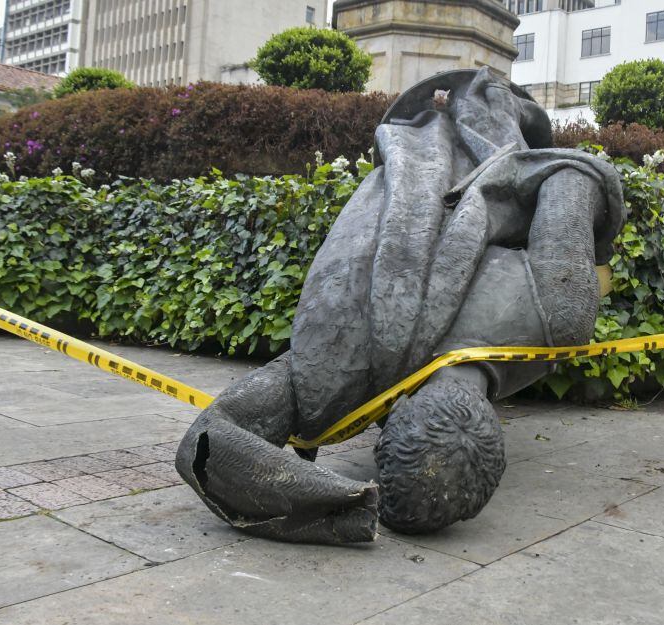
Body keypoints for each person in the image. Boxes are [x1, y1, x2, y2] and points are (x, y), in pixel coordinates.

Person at [176, 68, 626, 544]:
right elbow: (209, 444)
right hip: (451, 146)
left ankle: (481, 117)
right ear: (398, 410)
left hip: (426, 155)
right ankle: (488, 112)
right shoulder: (324, 374)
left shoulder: (559, 316)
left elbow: (573, 178)